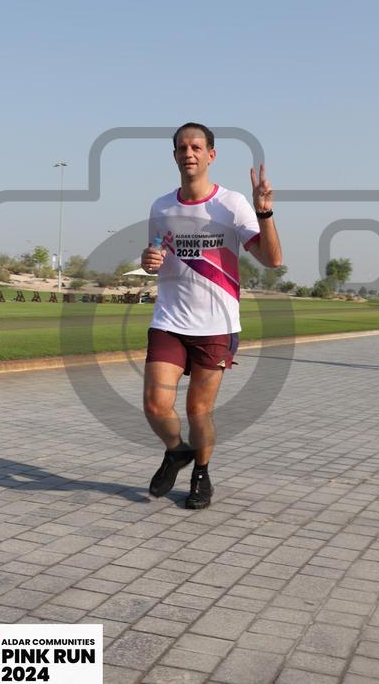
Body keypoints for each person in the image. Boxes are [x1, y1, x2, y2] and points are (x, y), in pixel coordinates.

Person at [141, 122, 282, 509]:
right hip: (169, 320)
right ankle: (176, 451)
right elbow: (157, 251)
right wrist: (149, 259)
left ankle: (201, 474)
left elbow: (272, 259)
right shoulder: (161, 207)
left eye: (196, 147)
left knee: (197, 411)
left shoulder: (231, 204)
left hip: (216, 325)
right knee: (155, 405)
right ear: (174, 155)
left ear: (211, 155)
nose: (189, 153)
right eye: (182, 148)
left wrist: (265, 213)